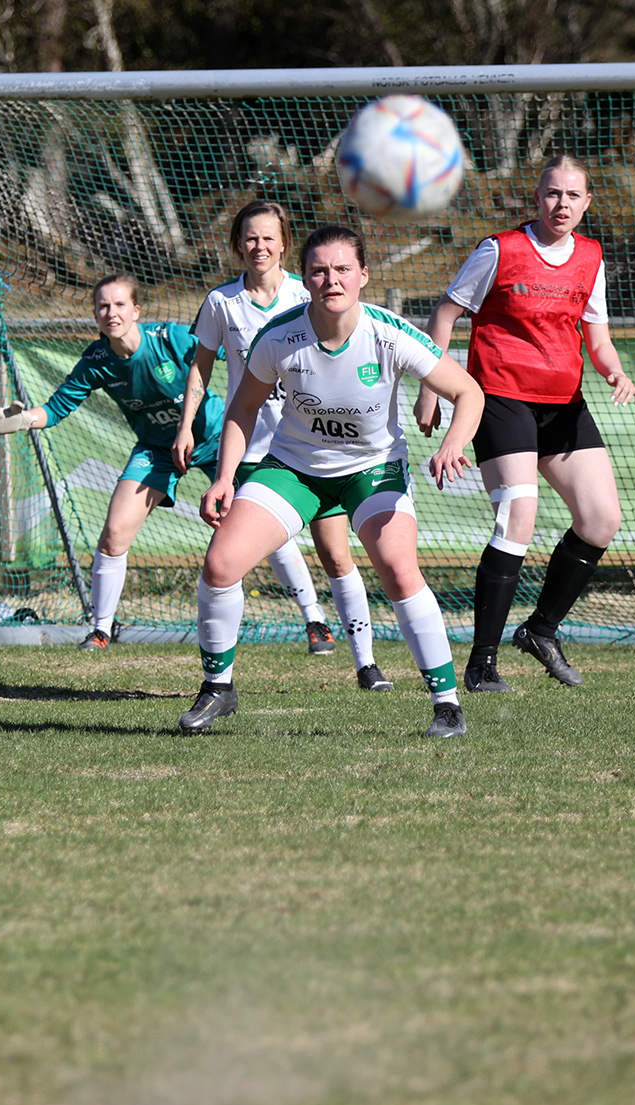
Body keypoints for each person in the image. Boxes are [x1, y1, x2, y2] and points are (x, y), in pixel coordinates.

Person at [180, 225, 486, 738]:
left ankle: (447, 703)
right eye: (320, 270)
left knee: (397, 569)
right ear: (305, 278)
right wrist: (226, 476)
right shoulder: (278, 337)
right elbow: (244, 407)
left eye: (343, 269)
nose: (331, 280)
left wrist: (454, 443)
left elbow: (468, 392)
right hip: (293, 468)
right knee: (220, 563)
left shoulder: (390, 334)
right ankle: (218, 689)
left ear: (363, 275)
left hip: (372, 470)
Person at [415, 154, 635, 692]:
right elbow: (445, 314)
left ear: (587, 203)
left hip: (562, 402)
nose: (561, 204)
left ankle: (541, 630)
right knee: (518, 519)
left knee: (601, 519)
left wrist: (614, 371)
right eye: (552, 194)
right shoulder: (500, 249)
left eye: (572, 196)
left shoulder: (591, 256)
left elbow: (598, 337)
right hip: (500, 397)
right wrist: (430, 387)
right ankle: (481, 666)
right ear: (536, 198)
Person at [177, 200, 393, 690]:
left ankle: (366, 663)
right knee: (227, 558)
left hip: (311, 450)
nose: (259, 246)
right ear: (238, 244)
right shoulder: (221, 303)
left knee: (336, 555)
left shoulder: (312, 292)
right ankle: (220, 681)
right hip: (250, 453)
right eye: (250, 237)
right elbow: (202, 366)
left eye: (269, 237)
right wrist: (187, 424)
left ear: (284, 245)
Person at [0, 275, 222, 649]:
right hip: (158, 449)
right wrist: (26, 419)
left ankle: (313, 619)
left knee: (251, 523)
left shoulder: (170, 338)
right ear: (95, 314)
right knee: (112, 537)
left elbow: (229, 353)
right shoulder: (97, 359)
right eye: (103, 306)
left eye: (120, 304)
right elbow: (58, 407)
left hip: (217, 437)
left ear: (136, 310)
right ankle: (101, 630)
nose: (112, 312)